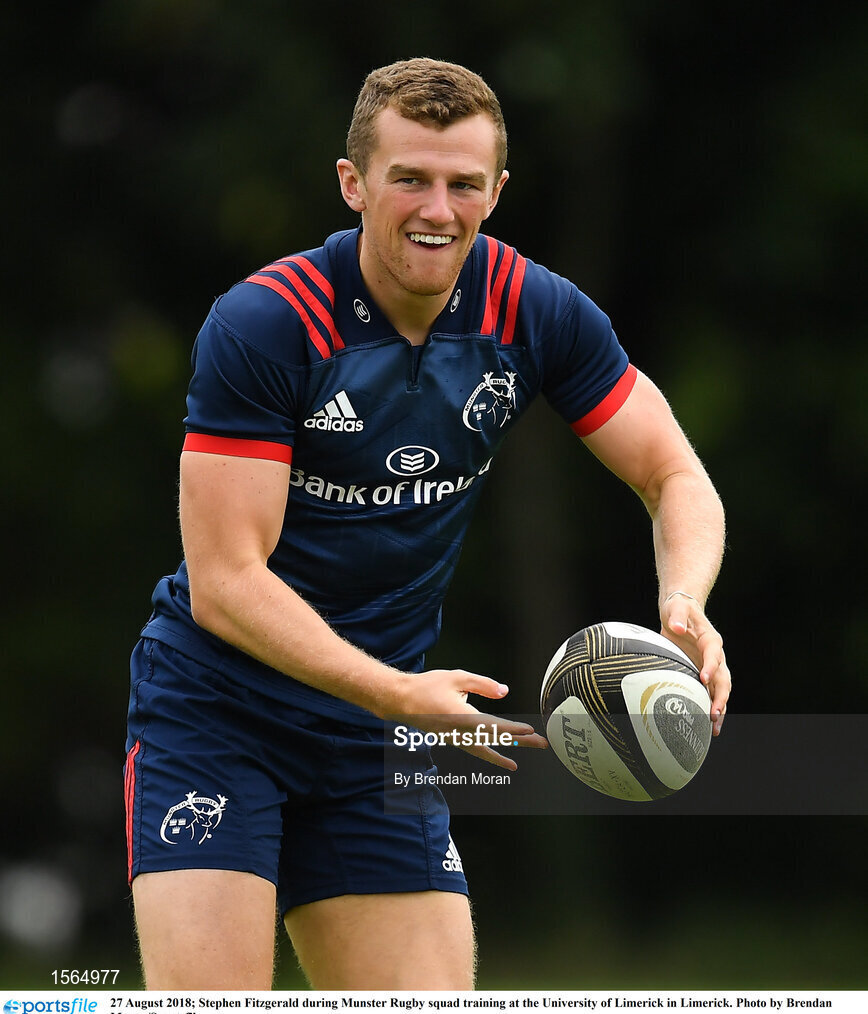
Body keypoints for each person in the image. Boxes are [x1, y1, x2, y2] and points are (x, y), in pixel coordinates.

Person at [124, 57, 730, 990]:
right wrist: (395, 695)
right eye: (409, 178)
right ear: (354, 183)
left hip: (375, 738)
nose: (436, 210)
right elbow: (226, 583)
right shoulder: (265, 324)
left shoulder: (536, 309)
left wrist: (684, 603)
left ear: (497, 192)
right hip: (220, 715)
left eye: (463, 184)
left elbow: (675, 474)